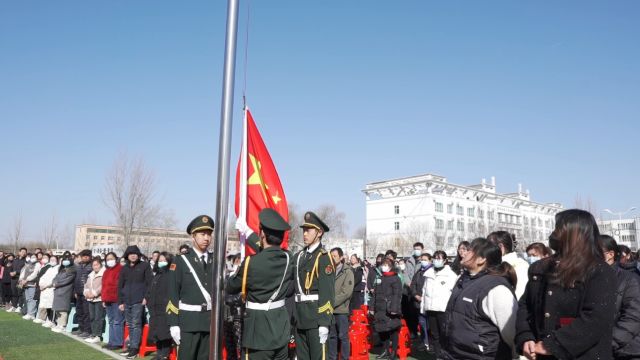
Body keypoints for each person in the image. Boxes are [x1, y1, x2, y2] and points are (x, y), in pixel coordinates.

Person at [515, 209, 617, 360]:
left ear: (576, 233)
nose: (553, 233)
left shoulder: (598, 271)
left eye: (558, 228)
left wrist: (552, 345)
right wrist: (526, 337)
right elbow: (526, 306)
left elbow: (595, 319)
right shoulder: (540, 268)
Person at [227, 208, 293, 359]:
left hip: (258, 334)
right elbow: (270, 252)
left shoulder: (251, 262)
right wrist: (249, 233)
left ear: (262, 233)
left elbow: (231, 287)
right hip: (281, 332)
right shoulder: (289, 259)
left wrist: (234, 274)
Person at [442, 237, 518, 360]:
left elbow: (511, 332)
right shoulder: (463, 279)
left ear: (481, 259)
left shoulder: (496, 288)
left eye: (470, 250)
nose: (464, 253)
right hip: (454, 353)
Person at [167, 215, 214, 360]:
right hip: (188, 322)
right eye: (202, 234)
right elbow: (173, 293)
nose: (206, 238)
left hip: (209, 322)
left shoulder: (216, 260)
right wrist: (173, 324)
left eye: (209, 234)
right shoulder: (181, 261)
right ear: (193, 236)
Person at [294, 211, 336, 360]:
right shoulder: (299, 256)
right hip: (300, 317)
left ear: (319, 233)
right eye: (304, 230)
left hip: (316, 319)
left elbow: (328, 292)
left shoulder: (324, 258)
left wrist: (324, 323)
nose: (304, 234)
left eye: (308, 230)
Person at [600, 235, 640, 358]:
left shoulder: (629, 280)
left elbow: (633, 318)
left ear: (610, 254)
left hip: (626, 350)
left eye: (594, 252)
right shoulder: (587, 279)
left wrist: (606, 345)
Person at [118, 245, 153, 359]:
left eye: (135, 253)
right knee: (130, 324)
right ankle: (131, 346)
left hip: (139, 300)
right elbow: (120, 285)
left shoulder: (145, 266)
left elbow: (150, 283)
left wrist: (146, 297)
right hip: (126, 300)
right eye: (131, 254)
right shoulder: (124, 268)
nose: (133, 256)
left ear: (138, 255)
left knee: (136, 324)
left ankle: (134, 348)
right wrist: (120, 301)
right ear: (127, 255)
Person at [420, 250, 457, 359]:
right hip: (431, 308)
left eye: (439, 258)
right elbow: (424, 291)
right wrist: (423, 308)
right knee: (434, 334)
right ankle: (438, 356)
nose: (436, 260)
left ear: (445, 260)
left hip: (443, 309)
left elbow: (453, 293)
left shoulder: (450, 275)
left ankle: (446, 355)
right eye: (435, 258)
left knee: (444, 334)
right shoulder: (429, 273)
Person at [372, 258, 402, 360]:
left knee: (393, 330)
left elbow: (397, 295)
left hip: (390, 309)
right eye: (383, 264)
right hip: (379, 309)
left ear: (391, 266)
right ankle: (385, 350)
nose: (383, 267)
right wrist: (372, 308)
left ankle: (393, 351)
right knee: (382, 330)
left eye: (386, 265)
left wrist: (394, 309)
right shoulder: (380, 278)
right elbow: (374, 294)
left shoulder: (395, 278)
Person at [146, 252, 174, 360]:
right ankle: (158, 353)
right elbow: (150, 289)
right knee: (155, 331)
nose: (162, 262)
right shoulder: (157, 274)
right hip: (154, 307)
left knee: (164, 332)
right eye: (160, 260)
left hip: (165, 307)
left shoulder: (171, 274)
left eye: (164, 260)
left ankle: (165, 354)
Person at [328, 247, 354, 360]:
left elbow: (346, 292)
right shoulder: (328, 270)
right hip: (330, 310)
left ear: (341, 257)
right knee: (332, 336)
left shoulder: (347, 272)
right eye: (331, 256)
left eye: (334, 256)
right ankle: (332, 357)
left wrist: (331, 302)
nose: (332, 258)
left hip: (341, 310)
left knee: (343, 336)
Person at [487, 231, 529, 300]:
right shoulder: (493, 265)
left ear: (500, 247)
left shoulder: (520, 266)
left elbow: (519, 296)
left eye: (489, 247)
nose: (486, 251)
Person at [410, 253, 432, 352]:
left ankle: (431, 344)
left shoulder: (432, 272)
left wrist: (425, 297)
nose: (423, 261)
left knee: (430, 325)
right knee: (422, 323)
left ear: (430, 260)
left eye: (425, 259)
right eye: (422, 259)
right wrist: (415, 295)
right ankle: (424, 342)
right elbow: (413, 284)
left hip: (429, 302)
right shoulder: (419, 272)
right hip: (419, 303)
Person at [102, 252, 124, 350]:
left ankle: (117, 342)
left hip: (117, 299)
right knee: (111, 321)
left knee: (117, 321)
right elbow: (104, 286)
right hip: (107, 299)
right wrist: (103, 299)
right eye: (108, 259)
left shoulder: (120, 269)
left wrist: (121, 300)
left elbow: (121, 285)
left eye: (111, 258)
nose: (109, 261)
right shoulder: (106, 271)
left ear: (116, 259)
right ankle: (111, 341)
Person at [51, 255, 77, 333]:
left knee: (63, 310)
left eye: (67, 259)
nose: (65, 261)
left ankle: (63, 325)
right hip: (57, 291)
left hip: (65, 291)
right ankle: (58, 323)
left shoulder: (72, 270)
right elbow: (55, 277)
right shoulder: (62, 269)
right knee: (58, 309)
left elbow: (67, 280)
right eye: (64, 260)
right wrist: (54, 282)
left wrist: (57, 284)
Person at [84, 257, 105, 344]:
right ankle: (93, 333)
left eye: (97, 265)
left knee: (98, 317)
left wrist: (95, 293)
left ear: (100, 265)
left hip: (99, 299)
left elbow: (102, 286)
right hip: (90, 299)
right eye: (94, 265)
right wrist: (86, 293)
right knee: (92, 317)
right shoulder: (91, 275)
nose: (95, 267)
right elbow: (86, 285)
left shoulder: (103, 273)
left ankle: (98, 335)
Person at [72, 249, 93, 338]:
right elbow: (76, 279)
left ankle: (87, 330)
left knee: (86, 312)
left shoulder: (91, 266)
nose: (85, 257)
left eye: (87, 256)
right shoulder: (79, 266)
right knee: (79, 312)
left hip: (87, 292)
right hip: (78, 292)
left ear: (90, 257)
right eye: (83, 256)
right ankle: (81, 328)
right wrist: (75, 291)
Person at [35, 255, 59, 327]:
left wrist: (45, 286)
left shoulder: (58, 268)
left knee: (51, 306)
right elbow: (42, 277)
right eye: (51, 260)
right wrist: (41, 285)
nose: (52, 261)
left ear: (57, 260)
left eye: (54, 260)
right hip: (44, 289)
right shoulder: (49, 269)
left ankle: (52, 321)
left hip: (51, 289)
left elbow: (54, 279)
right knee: (46, 305)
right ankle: (48, 319)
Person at [19, 253, 41, 320]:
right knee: (28, 299)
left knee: (32, 299)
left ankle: (32, 314)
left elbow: (35, 274)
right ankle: (29, 313)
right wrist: (21, 279)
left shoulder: (37, 264)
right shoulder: (28, 264)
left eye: (34, 257)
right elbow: (23, 272)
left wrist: (27, 279)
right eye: (32, 257)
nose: (33, 258)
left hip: (32, 284)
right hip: (25, 284)